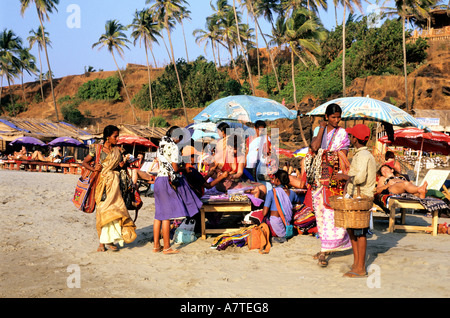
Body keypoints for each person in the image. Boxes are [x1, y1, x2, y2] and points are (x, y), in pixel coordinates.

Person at [307, 103, 352, 267]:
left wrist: (329, 156)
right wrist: (321, 129)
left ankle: (324, 251)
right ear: (326, 117)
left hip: (334, 179)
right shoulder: (319, 131)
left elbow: (343, 156)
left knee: (332, 214)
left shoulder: (342, 133)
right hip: (319, 179)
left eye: (339, 117)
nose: (337, 120)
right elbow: (314, 147)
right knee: (320, 214)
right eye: (333, 117)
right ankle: (324, 248)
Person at [82, 125, 137, 252]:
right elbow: (84, 163)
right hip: (101, 185)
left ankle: (111, 241)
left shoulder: (118, 150)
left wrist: (122, 165)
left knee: (115, 212)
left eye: (118, 136)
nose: (117, 139)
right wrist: (93, 168)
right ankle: (102, 243)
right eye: (115, 136)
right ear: (107, 137)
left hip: (115, 186)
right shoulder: (96, 149)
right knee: (101, 211)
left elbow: (120, 168)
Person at [334, 124, 377, 278]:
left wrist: (344, 177)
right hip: (358, 197)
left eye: (351, 136)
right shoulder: (362, 155)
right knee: (353, 230)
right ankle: (356, 263)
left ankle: (360, 267)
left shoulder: (363, 156)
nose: (350, 138)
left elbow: (359, 178)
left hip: (361, 198)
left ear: (354, 139)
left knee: (360, 233)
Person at [153, 126, 203, 254]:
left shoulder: (162, 144)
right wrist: (184, 169)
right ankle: (166, 247)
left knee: (158, 215)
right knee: (166, 216)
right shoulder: (173, 147)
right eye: (180, 139)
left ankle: (156, 246)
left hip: (158, 180)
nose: (179, 142)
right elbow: (175, 168)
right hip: (167, 181)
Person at [262, 170, 302, 242]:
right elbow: (298, 204)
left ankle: (278, 237)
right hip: (287, 224)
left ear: (277, 180)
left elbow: (264, 213)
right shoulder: (292, 193)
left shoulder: (272, 192)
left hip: (275, 225)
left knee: (258, 215)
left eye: (274, 179)